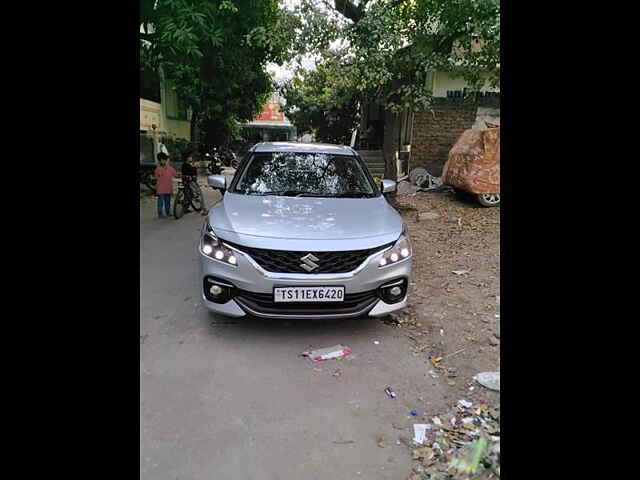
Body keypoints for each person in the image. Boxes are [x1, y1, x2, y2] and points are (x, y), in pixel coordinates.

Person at [154, 152, 176, 218]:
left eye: (164, 160)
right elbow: (155, 179)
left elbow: (176, 175)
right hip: (160, 189)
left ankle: (168, 212)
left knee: (167, 201)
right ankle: (160, 213)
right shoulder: (157, 169)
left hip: (168, 188)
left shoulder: (170, 169)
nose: (163, 161)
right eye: (161, 160)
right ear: (159, 161)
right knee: (160, 202)